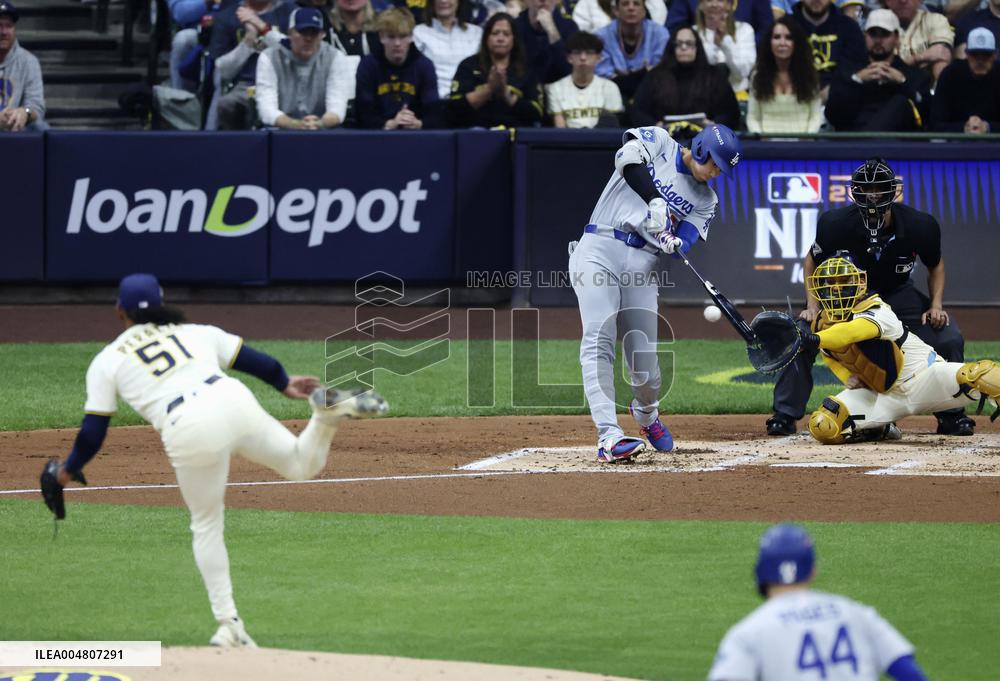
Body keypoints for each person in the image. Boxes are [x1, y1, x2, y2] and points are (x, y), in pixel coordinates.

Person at [46, 273, 389, 646]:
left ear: (119, 312)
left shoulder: (107, 360)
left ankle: (230, 625)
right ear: (162, 302)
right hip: (231, 397)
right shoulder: (196, 332)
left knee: (207, 524)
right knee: (300, 465)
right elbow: (254, 360)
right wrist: (283, 383)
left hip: (189, 427)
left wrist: (66, 471)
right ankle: (323, 417)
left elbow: (93, 432)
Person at [568, 123, 742, 462]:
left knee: (645, 366)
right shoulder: (661, 143)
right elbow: (626, 161)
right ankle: (609, 436)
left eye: (722, 170)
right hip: (598, 246)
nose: (715, 173)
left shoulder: (706, 199)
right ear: (703, 149)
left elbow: (687, 240)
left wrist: (674, 242)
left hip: (642, 263)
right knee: (599, 338)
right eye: (714, 164)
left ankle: (647, 415)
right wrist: (655, 200)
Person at [766, 158, 974, 437]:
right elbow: (811, 261)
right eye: (866, 190)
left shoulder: (920, 225)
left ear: (892, 191)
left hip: (898, 294)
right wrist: (813, 305)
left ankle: (952, 415)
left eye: (879, 189)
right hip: (848, 298)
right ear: (855, 192)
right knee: (802, 334)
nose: (873, 196)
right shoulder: (834, 223)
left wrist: (936, 306)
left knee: (947, 337)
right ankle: (784, 415)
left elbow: (935, 264)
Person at [800, 256, 999, 443]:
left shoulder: (877, 309)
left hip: (925, 378)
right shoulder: (821, 324)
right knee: (824, 425)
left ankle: (874, 426)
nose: (836, 288)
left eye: (843, 280)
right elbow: (830, 354)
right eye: (830, 283)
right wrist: (846, 376)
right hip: (882, 396)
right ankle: (879, 429)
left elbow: (853, 331)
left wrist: (813, 339)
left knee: (982, 374)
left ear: (860, 282)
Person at [708, 523, 934, 681]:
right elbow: (908, 671)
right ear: (813, 571)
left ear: (759, 571)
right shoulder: (856, 613)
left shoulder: (748, 633)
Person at [824, 9, 931, 131]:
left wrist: (903, 82)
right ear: (865, 37)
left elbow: (928, 116)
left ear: (896, 38)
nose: (878, 40)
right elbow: (832, 115)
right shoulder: (847, 72)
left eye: (884, 34)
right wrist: (857, 80)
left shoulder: (915, 75)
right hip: (852, 142)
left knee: (900, 102)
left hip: (898, 145)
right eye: (873, 34)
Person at [255, 7, 356, 128]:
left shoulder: (335, 57)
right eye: (302, 32)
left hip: (322, 127)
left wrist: (319, 124)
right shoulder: (269, 57)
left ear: (322, 35)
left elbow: (337, 109)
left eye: (314, 33)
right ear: (290, 33)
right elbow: (266, 109)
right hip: (280, 127)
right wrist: (295, 124)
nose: (308, 39)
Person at [629, 28, 741, 137]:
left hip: (707, 140)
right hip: (663, 140)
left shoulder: (715, 75)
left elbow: (730, 112)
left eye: (689, 43)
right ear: (672, 48)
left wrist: (713, 125)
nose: (683, 47)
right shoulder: (655, 76)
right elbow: (638, 111)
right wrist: (655, 126)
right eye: (679, 44)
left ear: (697, 47)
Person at [208, 0, 294, 129]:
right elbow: (223, 70)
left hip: (285, 82)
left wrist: (262, 27)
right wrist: (248, 41)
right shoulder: (227, 16)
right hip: (246, 86)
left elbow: (295, 55)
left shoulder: (289, 11)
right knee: (227, 104)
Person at [448, 12, 544, 127]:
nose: (500, 39)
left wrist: (505, 93)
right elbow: (453, 110)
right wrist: (489, 89)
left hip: (516, 135)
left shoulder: (526, 68)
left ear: (514, 39)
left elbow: (537, 113)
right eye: (495, 33)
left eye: (506, 34)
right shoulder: (468, 66)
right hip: (475, 134)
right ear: (486, 38)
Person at [355, 7, 442, 128]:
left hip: (416, 134)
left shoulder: (424, 66)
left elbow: (434, 112)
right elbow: (363, 113)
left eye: (402, 37)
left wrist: (418, 123)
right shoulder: (368, 65)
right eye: (391, 37)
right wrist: (389, 124)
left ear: (411, 37)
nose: (397, 43)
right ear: (381, 37)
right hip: (378, 135)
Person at [745, 17, 823, 133]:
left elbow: (816, 117)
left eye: (789, 38)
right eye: (777, 37)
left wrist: (806, 140)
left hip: (803, 145)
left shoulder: (809, 75)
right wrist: (760, 139)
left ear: (796, 43)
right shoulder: (758, 75)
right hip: (766, 146)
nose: (782, 43)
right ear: (769, 42)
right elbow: (752, 118)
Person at [545, 30, 624, 127]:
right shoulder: (556, 88)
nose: (583, 57)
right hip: (567, 141)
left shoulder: (610, 88)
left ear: (599, 58)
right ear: (569, 57)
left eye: (589, 53)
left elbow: (611, 126)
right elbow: (560, 129)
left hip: (601, 141)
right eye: (577, 52)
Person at [594, 0, 667, 102]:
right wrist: (644, 72)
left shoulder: (660, 34)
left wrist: (622, 77)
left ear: (644, 11)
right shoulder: (602, 37)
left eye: (636, 4)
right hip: (613, 96)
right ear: (616, 11)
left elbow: (658, 75)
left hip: (653, 95)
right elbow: (606, 81)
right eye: (625, 4)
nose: (631, 8)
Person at [930, 27, 1000, 133]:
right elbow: (935, 123)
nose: (980, 60)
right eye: (975, 54)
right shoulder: (950, 74)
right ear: (966, 54)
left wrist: (987, 127)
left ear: (995, 55)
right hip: (955, 144)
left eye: (986, 55)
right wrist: (963, 128)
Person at [789, 0, 866, 93]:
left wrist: (831, 92)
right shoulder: (786, 27)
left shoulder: (850, 28)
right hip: (794, 96)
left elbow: (853, 71)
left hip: (839, 98)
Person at [413, 0, 483, 98]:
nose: (443, 1)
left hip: (470, 102)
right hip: (434, 102)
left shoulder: (477, 33)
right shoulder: (418, 33)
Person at [0, 1, 46, 132]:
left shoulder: (29, 62)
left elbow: (37, 107)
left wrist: (24, 112)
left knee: (40, 126)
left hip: (16, 129)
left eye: (8, 26)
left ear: (14, 29)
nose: (3, 32)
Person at [695, 0, 756, 94]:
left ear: (730, 5)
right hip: (702, 96)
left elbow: (741, 73)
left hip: (737, 95)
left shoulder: (744, 30)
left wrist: (724, 41)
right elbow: (701, 71)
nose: (714, 4)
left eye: (720, 0)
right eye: (709, 0)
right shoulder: (692, 33)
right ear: (701, 5)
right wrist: (711, 32)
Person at [884, 0, 953, 81]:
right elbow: (881, 68)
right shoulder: (876, 23)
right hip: (887, 86)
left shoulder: (935, 20)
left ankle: (940, 92)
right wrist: (918, 59)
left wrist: (901, 65)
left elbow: (941, 52)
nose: (903, 1)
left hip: (925, 86)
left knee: (940, 61)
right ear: (887, 1)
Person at [514, 0, 579, 84]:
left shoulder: (570, 27)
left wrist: (551, 29)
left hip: (559, 87)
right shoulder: (514, 26)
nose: (543, 0)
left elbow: (568, 71)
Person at [668, 0, 773, 36]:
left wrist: (745, 47)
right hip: (698, 65)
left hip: (743, 64)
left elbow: (766, 30)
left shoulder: (745, 30)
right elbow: (674, 28)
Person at [571, 0, 666, 35]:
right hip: (600, 60)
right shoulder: (587, 3)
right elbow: (580, 37)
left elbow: (658, 33)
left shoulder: (655, 2)